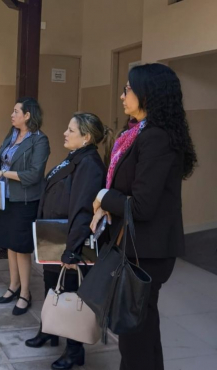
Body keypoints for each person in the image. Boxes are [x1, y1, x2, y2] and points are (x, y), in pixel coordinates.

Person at [90, 63, 197, 370]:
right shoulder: (136, 132)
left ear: (147, 94)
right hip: (138, 247)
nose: (123, 96)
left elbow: (141, 207)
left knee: (134, 335)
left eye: (128, 89)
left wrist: (102, 197)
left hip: (147, 253)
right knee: (144, 329)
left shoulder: (155, 138)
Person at [25, 113, 114, 370]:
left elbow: (83, 210)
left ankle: (74, 351)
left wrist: (72, 250)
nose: (65, 133)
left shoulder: (90, 164)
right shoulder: (75, 157)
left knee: (72, 292)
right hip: (55, 238)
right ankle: (49, 330)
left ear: (85, 137)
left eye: (70, 129)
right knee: (52, 285)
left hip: (71, 242)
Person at [0, 97, 50, 315]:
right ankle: (13, 286)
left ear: (27, 115)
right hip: (8, 198)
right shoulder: (12, 134)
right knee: (10, 245)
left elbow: (33, 175)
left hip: (25, 200)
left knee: (21, 248)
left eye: (15, 111)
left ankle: (26, 294)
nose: (11, 115)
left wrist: (1, 173)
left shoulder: (40, 141)